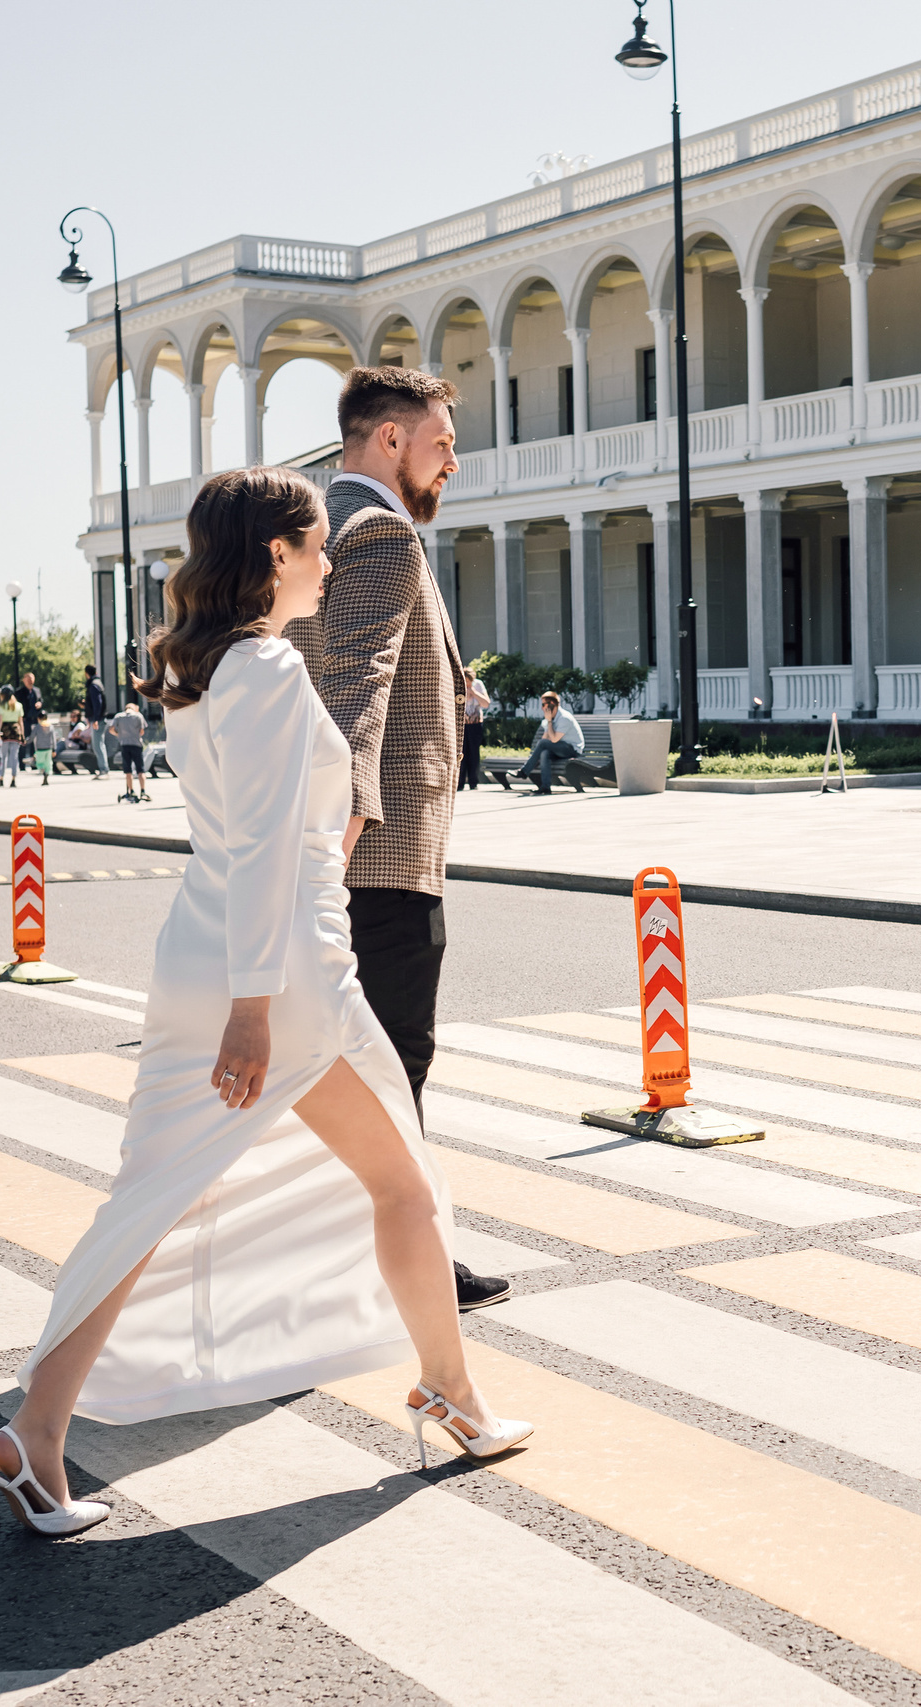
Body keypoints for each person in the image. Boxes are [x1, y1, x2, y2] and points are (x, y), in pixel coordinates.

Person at [0, 465, 528, 1540]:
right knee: (403, 1190)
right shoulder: (268, 669)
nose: (328, 560)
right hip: (284, 976)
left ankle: (33, 1438)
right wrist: (255, 1012)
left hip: (213, 953)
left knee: (150, 1200)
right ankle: (450, 1394)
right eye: (316, 544)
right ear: (275, 553)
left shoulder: (207, 670)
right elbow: (276, 849)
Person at [284, 364, 506, 1314]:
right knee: (393, 1062)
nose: (453, 459)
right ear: (389, 440)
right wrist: (346, 830)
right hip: (379, 859)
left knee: (359, 1065)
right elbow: (353, 690)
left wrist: (453, 696)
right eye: (441, 441)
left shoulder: (326, 525)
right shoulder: (379, 534)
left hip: (349, 854)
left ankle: (376, 1253)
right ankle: (406, 1263)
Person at [517, 690, 585, 796]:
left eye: (544, 705)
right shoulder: (551, 718)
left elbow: (553, 740)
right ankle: (545, 787)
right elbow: (545, 739)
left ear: (552, 704)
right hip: (558, 749)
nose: (542, 708)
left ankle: (524, 771)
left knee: (544, 745)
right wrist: (549, 721)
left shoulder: (564, 718)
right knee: (545, 753)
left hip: (572, 750)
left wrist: (549, 722)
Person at [109, 699, 149, 801]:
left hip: (124, 745)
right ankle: (143, 791)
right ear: (134, 708)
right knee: (140, 770)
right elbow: (142, 731)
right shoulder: (138, 716)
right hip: (136, 744)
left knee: (128, 771)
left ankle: (131, 791)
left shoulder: (118, 716)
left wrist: (119, 735)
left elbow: (111, 729)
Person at [458, 668, 490, 791]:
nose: (467, 684)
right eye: (465, 681)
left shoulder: (478, 684)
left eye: (469, 681)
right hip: (462, 723)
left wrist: (474, 692)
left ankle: (473, 782)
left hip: (475, 723)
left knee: (474, 753)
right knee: (462, 752)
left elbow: (486, 703)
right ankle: (460, 782)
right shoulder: (459, 684)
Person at [81, 665, 109, 776]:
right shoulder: (98, 683)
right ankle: (103, 768)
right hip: (99, 718)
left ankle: (104, 769)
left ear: (86, 673)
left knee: (98, 745)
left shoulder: (93, 686)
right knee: (99, 744)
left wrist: (96, 719)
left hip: (98, 719)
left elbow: (98, 703)